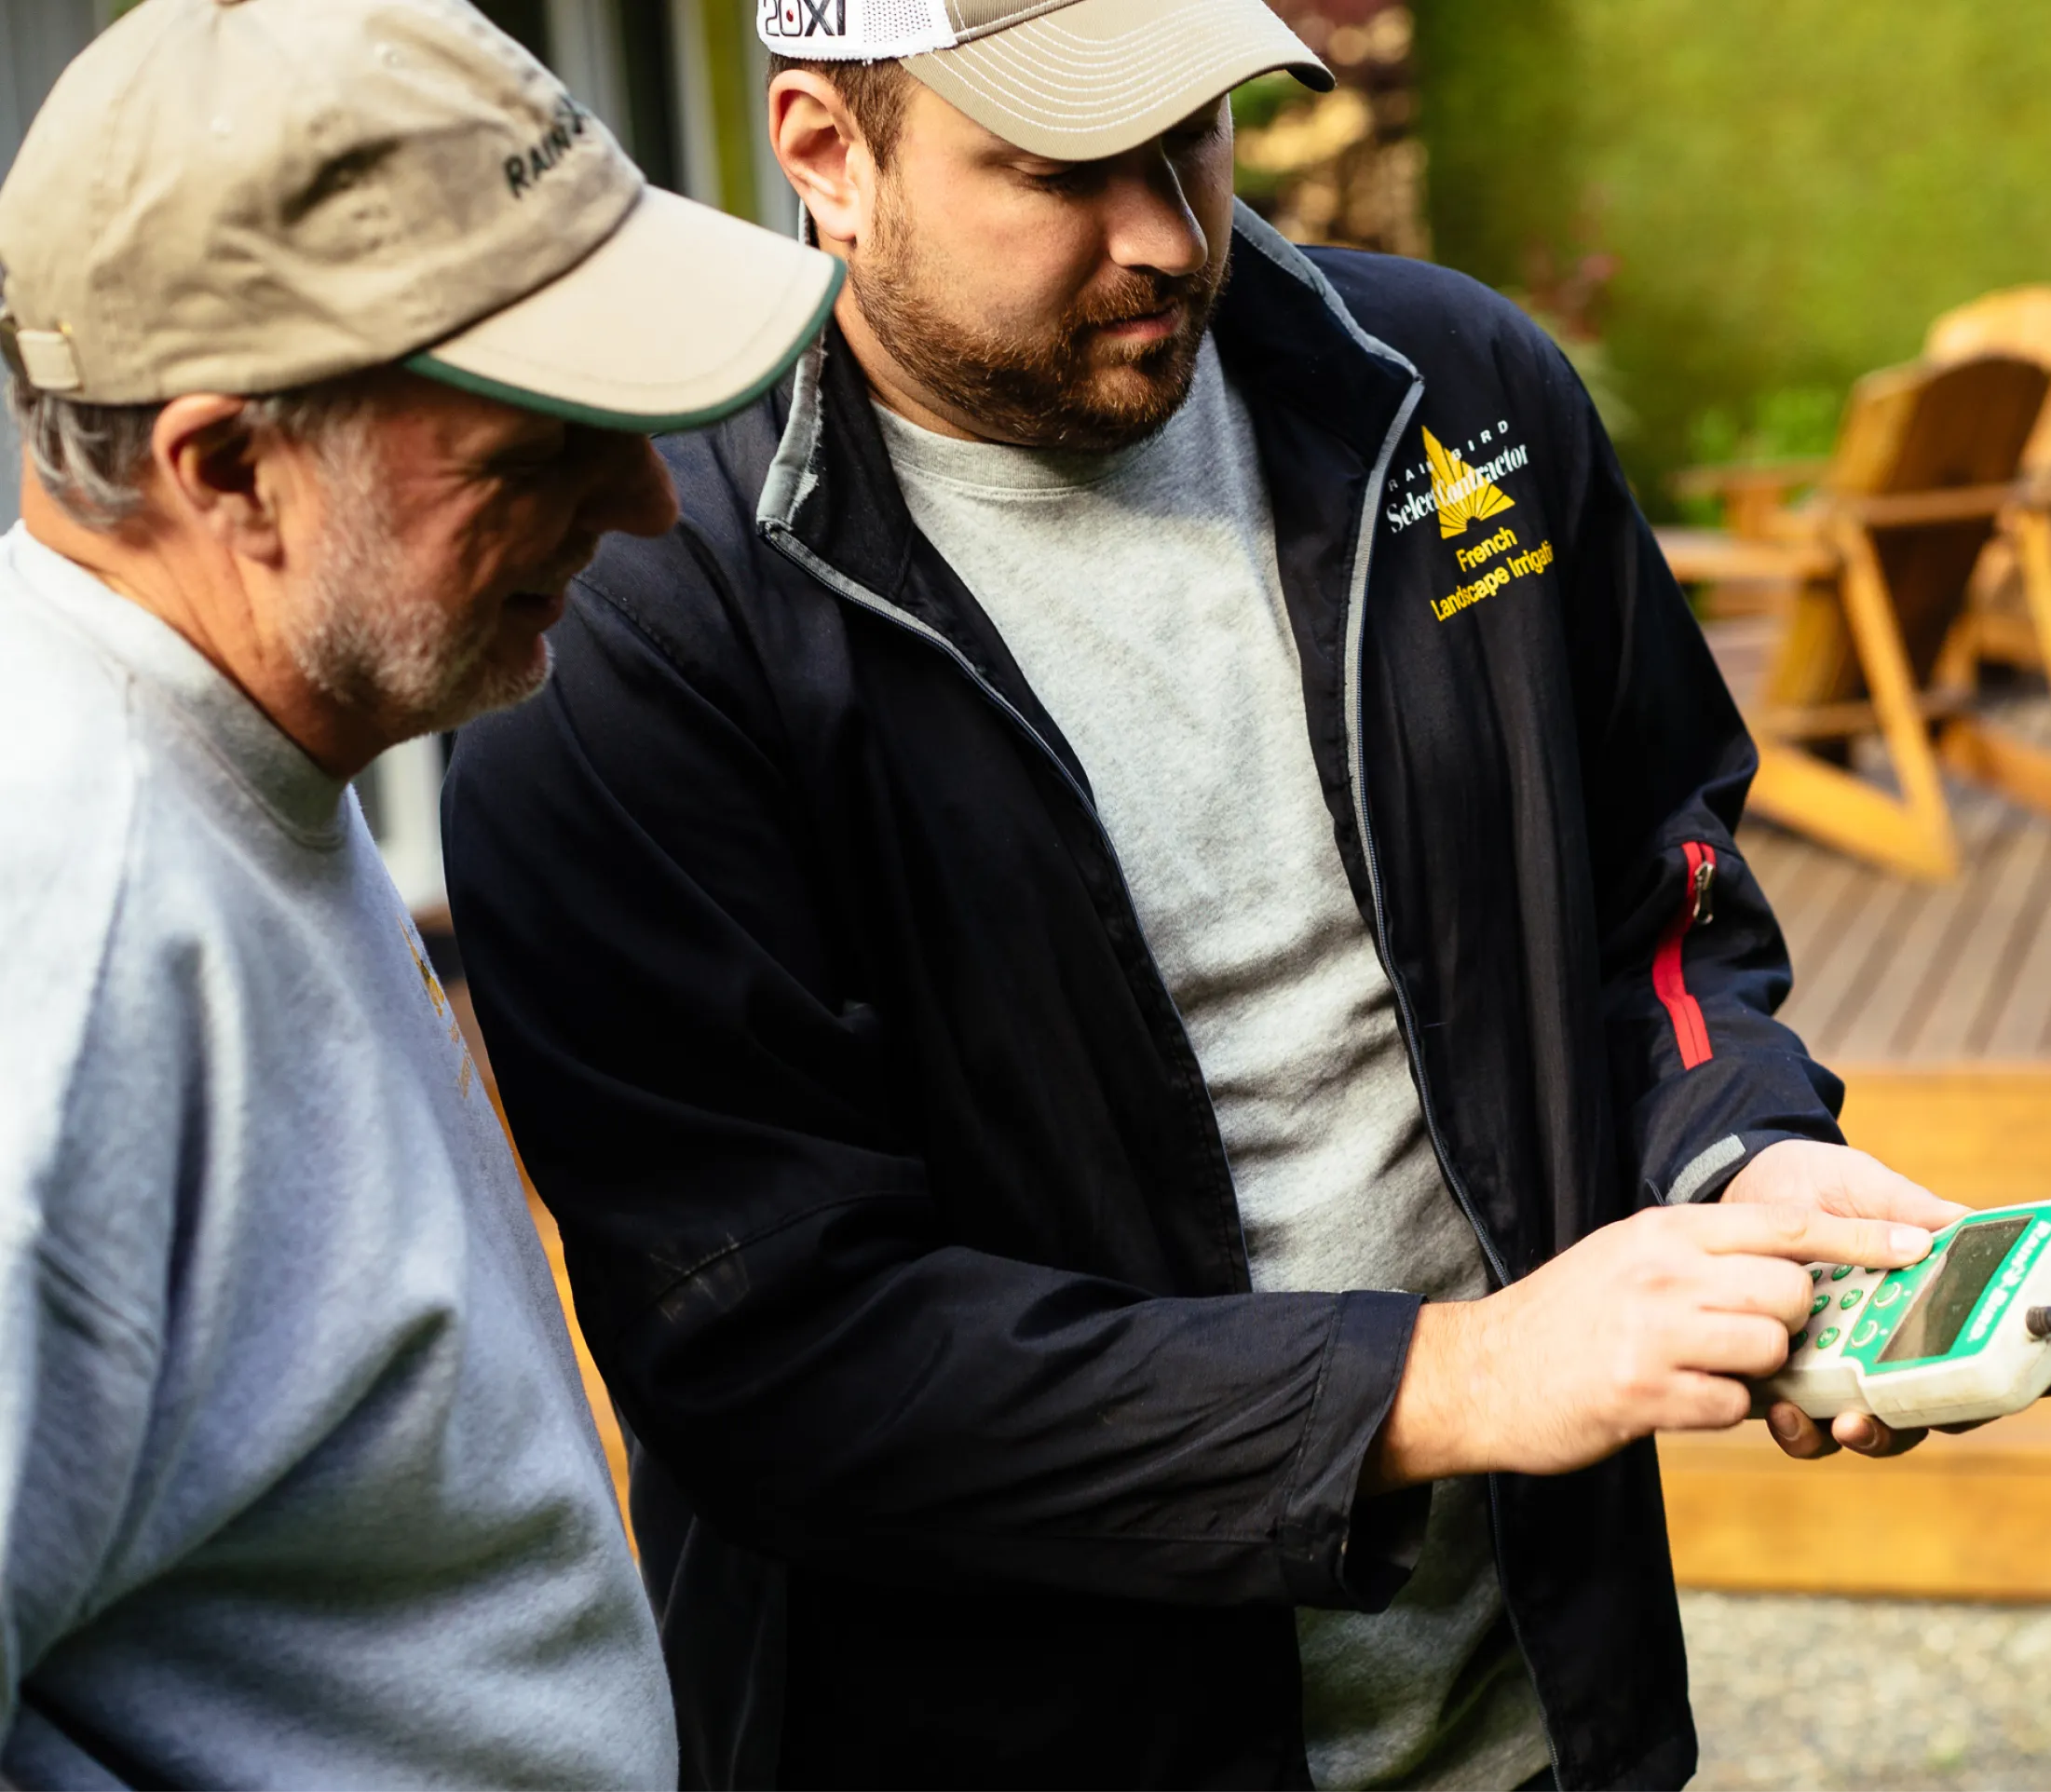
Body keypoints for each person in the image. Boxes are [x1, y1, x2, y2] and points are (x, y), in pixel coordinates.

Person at [441, 0, 1967, 1785]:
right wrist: (1453, 1380)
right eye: (1066, 165)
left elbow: (1654, 898)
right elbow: (782, 1352)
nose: (1170, 229)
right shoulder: (633, 613)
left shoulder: (1454, 394)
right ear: (827, 156)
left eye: (1198, 131)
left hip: (1538, 1716)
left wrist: (1745, 1154)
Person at [0, 0, 842, 1785]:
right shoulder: (60, 948)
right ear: (227, 468)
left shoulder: (223, 764)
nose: (647, 506)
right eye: (538, 444)